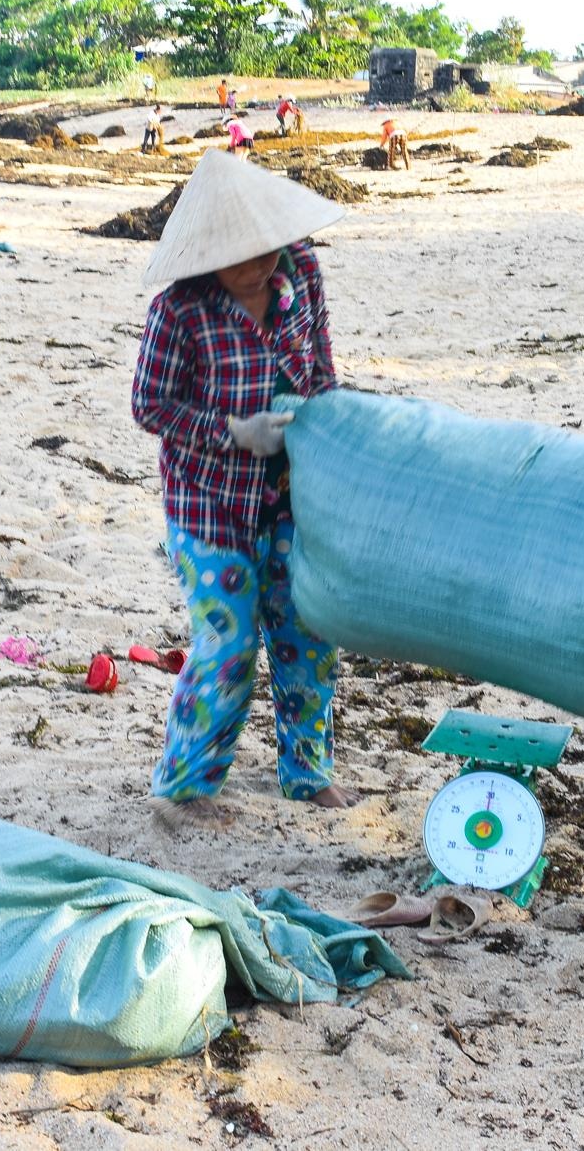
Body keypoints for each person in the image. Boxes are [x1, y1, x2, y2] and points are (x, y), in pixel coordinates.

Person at [131, 150, 361, 825]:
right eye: (240, 259)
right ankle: (187, 784)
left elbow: (320, 366)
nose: (259, 266)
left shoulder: (304, 274)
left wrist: (323, 428)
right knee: (228, 648)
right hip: (210, 506)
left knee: (308, 634)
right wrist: (234, 431)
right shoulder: (180, 310)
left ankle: (307, 771)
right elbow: (150, 405)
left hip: (293, 495)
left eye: (265, 251)